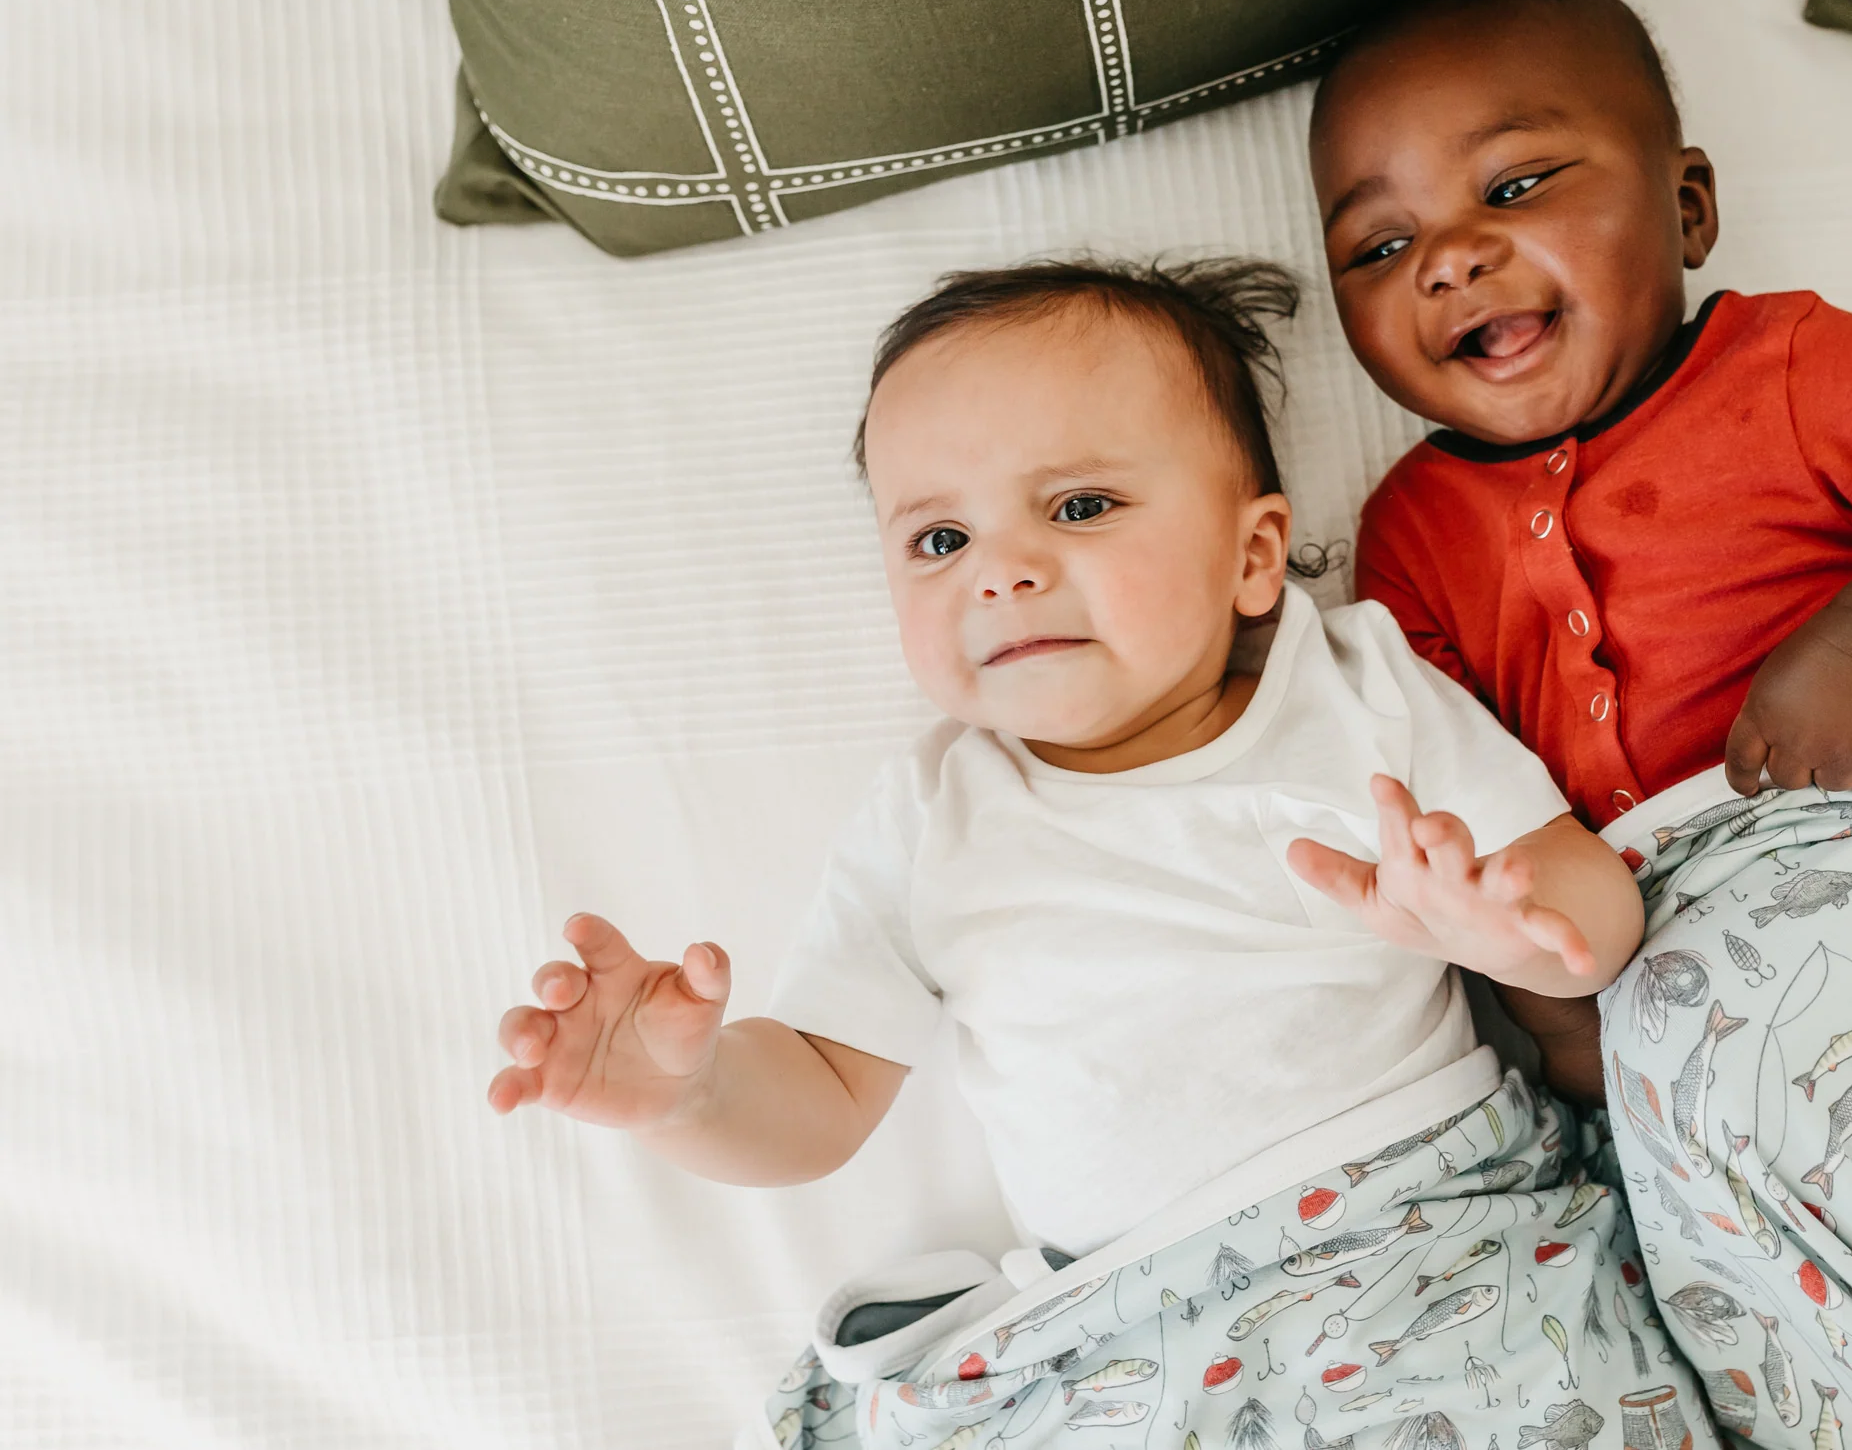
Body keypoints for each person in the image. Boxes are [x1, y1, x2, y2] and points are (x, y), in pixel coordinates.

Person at [483, 257, 1645, 1260]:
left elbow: (1591, 899)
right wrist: (685, 1095)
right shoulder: (937, 814)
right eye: (942, 538)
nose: (1002, 569)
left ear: (1253, 554)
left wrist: (1506, 929)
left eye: (1081, 506)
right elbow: (825, 1096)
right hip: (1136, 1314)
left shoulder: (1356, 688)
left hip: (1438, 1223)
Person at [1307, 0, 1852, 1098]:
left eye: (1514, 185)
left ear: (1686, 207)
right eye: (1379, 248)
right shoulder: (1407, 534)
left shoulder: (1787, 366)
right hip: (1692, 974)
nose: (1446, 257)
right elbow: (1476, 805)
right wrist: (1567, 1032)